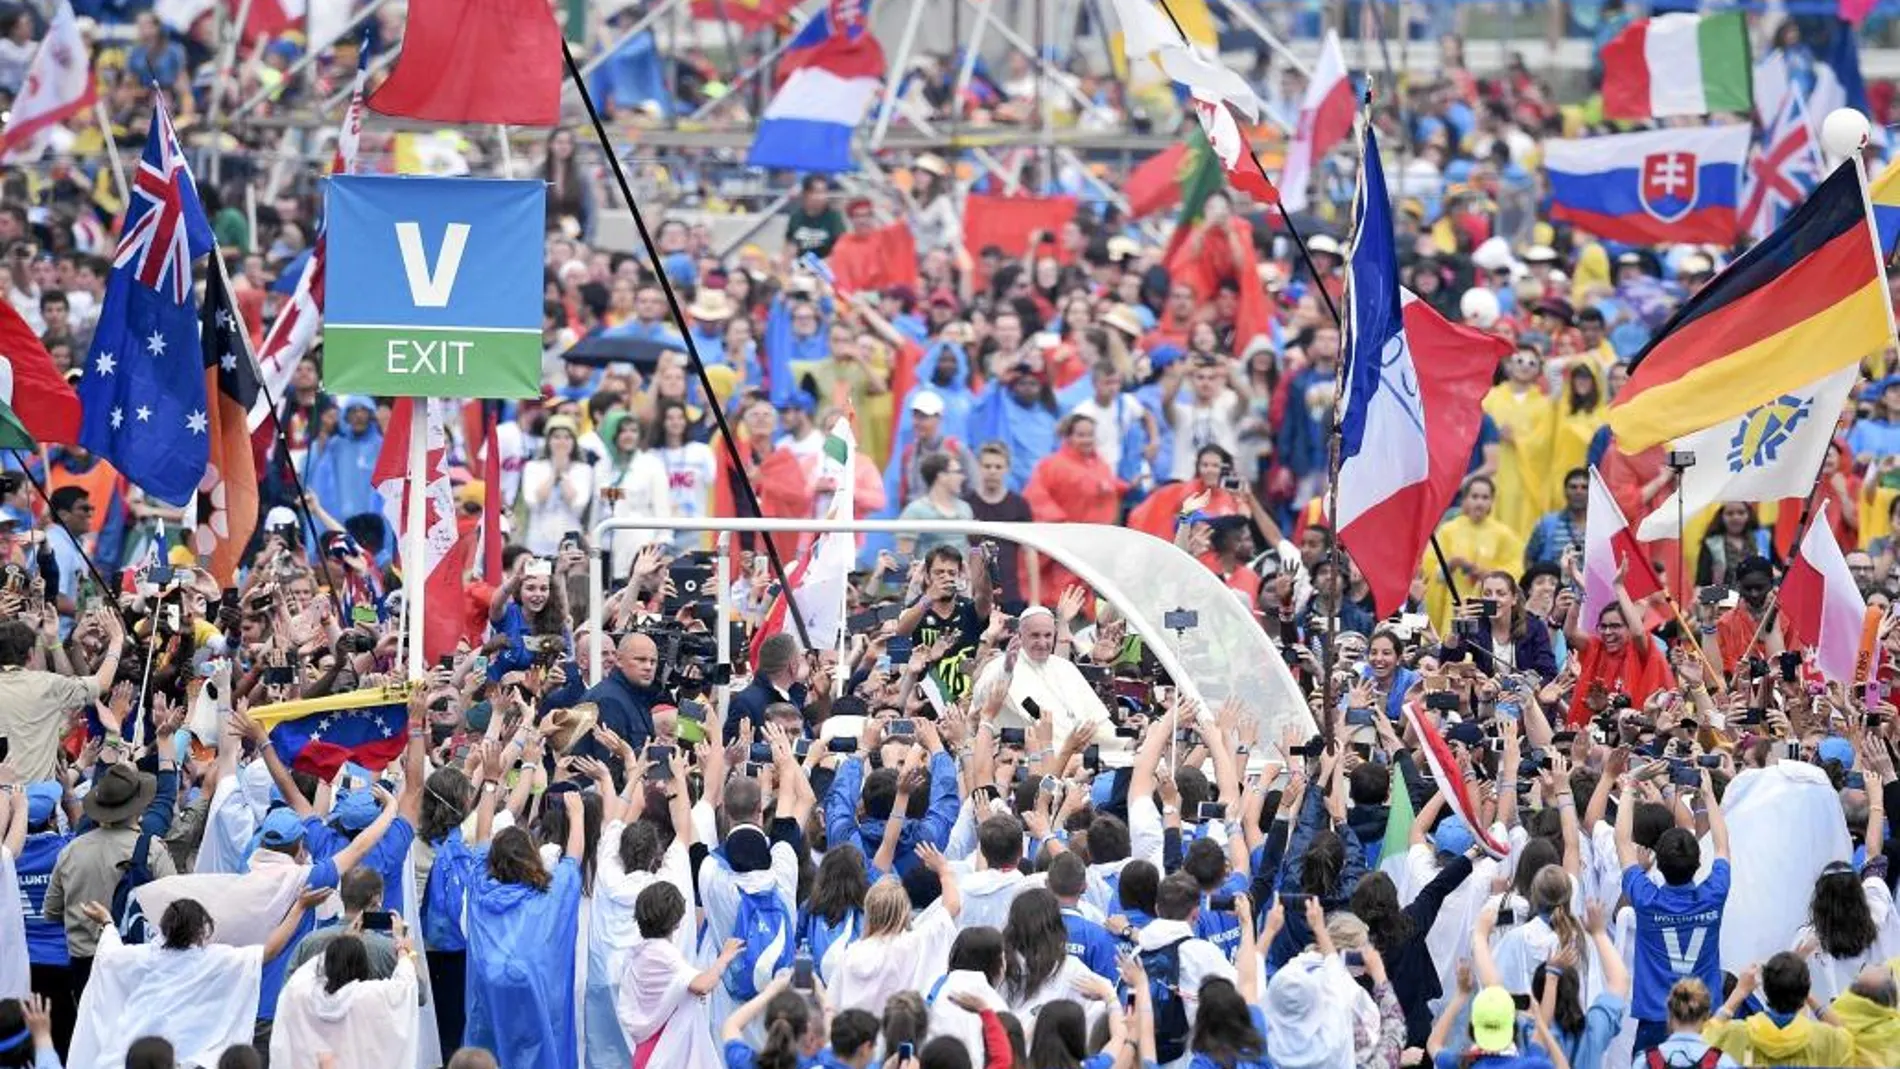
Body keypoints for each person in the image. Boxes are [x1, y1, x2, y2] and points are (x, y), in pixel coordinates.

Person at [67, 897, 308, 1069]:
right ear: (202, 931)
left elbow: (109, 955)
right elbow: (270, 950)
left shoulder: (143, 957)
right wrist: (299, 907)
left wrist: (108, 923)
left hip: (139, 1057)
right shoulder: (216, 959)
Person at [463, 776, 587, 1069]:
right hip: (533, 1002)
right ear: (533, 856)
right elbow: (573, 859)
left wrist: (491, 782)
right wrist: (577, 815)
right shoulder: (550, 898)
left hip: (489, 997)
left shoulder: (480, 890)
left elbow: (482, 836)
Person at [1620, 766, 1730, 1054]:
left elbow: (1622, 842)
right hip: (1705, 1020)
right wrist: (1708, 796)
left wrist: (1630, 785)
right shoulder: (1714, 893)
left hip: (1657, 1020)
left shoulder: (1646, 899)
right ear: (1698, 863)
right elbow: (1722, 847)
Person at [269, 933, 422, 1068]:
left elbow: (302, 974)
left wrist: (339, 948)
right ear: (364, 965)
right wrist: (404, 949)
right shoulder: (368, 996)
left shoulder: (304, 996)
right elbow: (405, 985)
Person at [0, 614, 123, 781]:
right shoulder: (47, 684)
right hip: (35, 798)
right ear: (30, 654)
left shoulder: (45, 683)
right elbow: (102, 683)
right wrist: (117, 640)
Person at [1703, 953, 1853, 1067]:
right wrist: (1809, 997)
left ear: (1765, 989)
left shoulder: (1740, 1033)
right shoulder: (1823, 1038)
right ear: (1805, 990)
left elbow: (1708, 1036)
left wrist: (1740, 991)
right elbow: (1847, 1038)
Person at [1427, 476, 1527, 633]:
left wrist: (1488, 574)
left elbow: (1516, 569)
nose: (1479, 502)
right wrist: (1452, 564)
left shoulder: (1504, 534)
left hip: (1489, 606)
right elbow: (1430, 570)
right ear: (1465, 499)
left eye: (1485, 497)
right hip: (1455, 603)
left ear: (1492, 501)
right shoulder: (1449, 531)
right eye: (1474, 497)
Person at [896, 452, 975, 560]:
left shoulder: (966, 509)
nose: (962, 477)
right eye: (957, 472)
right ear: (941, 476)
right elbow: (903, 557)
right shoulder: (914, 511)